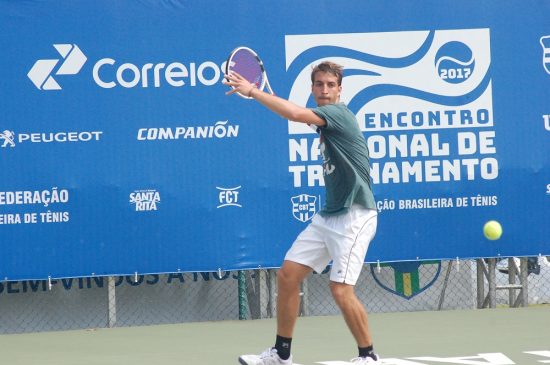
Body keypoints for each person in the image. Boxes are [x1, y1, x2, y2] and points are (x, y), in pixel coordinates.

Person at [224, 61, 379, 365]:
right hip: (329, 215)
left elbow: (294, 113)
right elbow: (297, 113)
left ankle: (368, 356)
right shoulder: (322, 119)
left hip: (355, 215)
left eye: (330, 85)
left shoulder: (339, 114)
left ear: (340, 90)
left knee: (340, 289)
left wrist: (253, 91)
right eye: (319, 84)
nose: (324, 90)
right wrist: (268, 98)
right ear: (312, 88)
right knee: (288, 275)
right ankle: (281, 353)